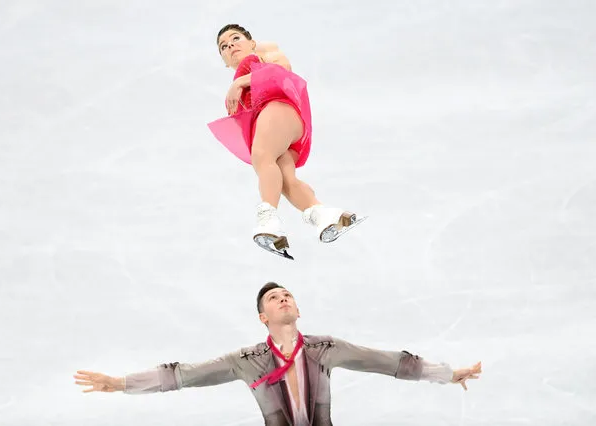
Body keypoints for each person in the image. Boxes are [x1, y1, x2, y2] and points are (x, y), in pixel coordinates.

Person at [74, 282, 482, 425]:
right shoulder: (246, 361)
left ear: (298, 309)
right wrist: (120, 384)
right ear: (262, 317)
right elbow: (181, 375)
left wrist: (448, 374)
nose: (283, 298)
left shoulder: (326, 349)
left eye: (287, 295)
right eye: (273, 297)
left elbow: (391, 362)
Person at [207, 24, 366, 258]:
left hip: (279, 110)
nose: (230, 45)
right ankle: (326, 215)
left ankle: (268, 221)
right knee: (284, 181)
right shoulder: (241, 73)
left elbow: (282, 69)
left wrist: (239, 82)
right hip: (280, 128)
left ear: (252, 42)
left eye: (236, 38)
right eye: (224, 46)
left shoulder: (259, 56)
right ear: (223, 59)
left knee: (262, 157)